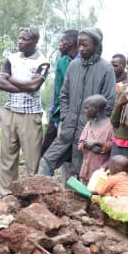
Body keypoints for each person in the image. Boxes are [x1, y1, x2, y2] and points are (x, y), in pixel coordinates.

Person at [40, 27, 116, 182]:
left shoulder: (106, 68)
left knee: (83, 170)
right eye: (79, 44)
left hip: (90, 131)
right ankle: (43, 192)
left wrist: (97, 125)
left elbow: (109, 101)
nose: (81, 48)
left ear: (96, 45)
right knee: (48, 160)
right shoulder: (73, 66)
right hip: (68, 126)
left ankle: (78, 196)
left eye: (85, 45)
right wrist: (65, 116)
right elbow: (64, 94)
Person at [0, 27, 50, 194]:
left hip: (30, 114)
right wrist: (24, 87)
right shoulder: (11, 59)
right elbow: (0, 83)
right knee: (7, 156)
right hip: (10, 112)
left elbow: (34, 86)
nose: (20, 42)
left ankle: (31, 194)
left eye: (24, 39)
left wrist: (11, 79)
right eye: (19, 38)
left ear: (34, 42)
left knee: (32, 160)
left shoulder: (42, 61)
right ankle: (6, 192)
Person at [91, 155, 128, 241]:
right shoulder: (127, 177)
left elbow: (102, 192)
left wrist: (91, 192)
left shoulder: (113, 178)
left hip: (122, 202)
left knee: (104, 199)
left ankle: (101, 220)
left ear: (113, 168)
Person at [43, 29, 79, 158]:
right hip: (62, 112)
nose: (59, 44)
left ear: (70, 42)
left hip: (80, 113)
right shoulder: (62, 62)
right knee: (54, 149)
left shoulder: (85, 62)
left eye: (61, 41)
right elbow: (58, 90)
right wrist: (54, 113)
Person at [77, 95, 112, 183]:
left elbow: (115, 145)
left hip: (101, 174)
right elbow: (80, 144)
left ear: (96, 108)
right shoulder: (89, 124)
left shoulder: (111, 125)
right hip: (86, 170)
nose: (85, 111)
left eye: (87, 108)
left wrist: (99, 143)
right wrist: (87, 145)